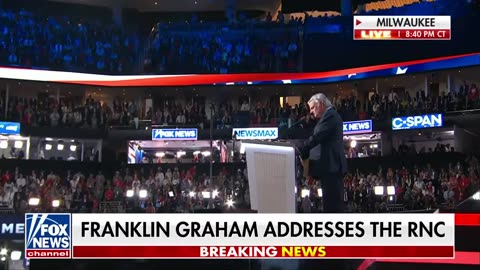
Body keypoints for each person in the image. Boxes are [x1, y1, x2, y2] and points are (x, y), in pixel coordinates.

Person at [299, 93, 347, 213]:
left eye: (313, 108)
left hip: (332, 166)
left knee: (332, 207)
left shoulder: (330, 115)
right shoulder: (329, 116)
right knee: (332, 205)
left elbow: (317, 136)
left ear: (320, 104)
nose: (311, 112)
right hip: (331, 167)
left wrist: (302, 149)